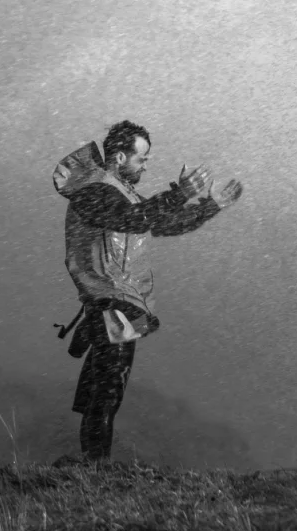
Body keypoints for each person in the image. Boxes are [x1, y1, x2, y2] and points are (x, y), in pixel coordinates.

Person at [52, 120, 243, 463]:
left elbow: (164, 223)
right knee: (109, 390)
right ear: (121, 156)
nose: (147, 165)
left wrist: (210, 205)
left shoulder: (123, 193)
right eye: (143, 159)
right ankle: (95, 468)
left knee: (108, 384)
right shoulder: (94, 190)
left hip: (125, 303)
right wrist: (180, 192)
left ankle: (90, 334)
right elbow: (134, 219)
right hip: (109, 299)